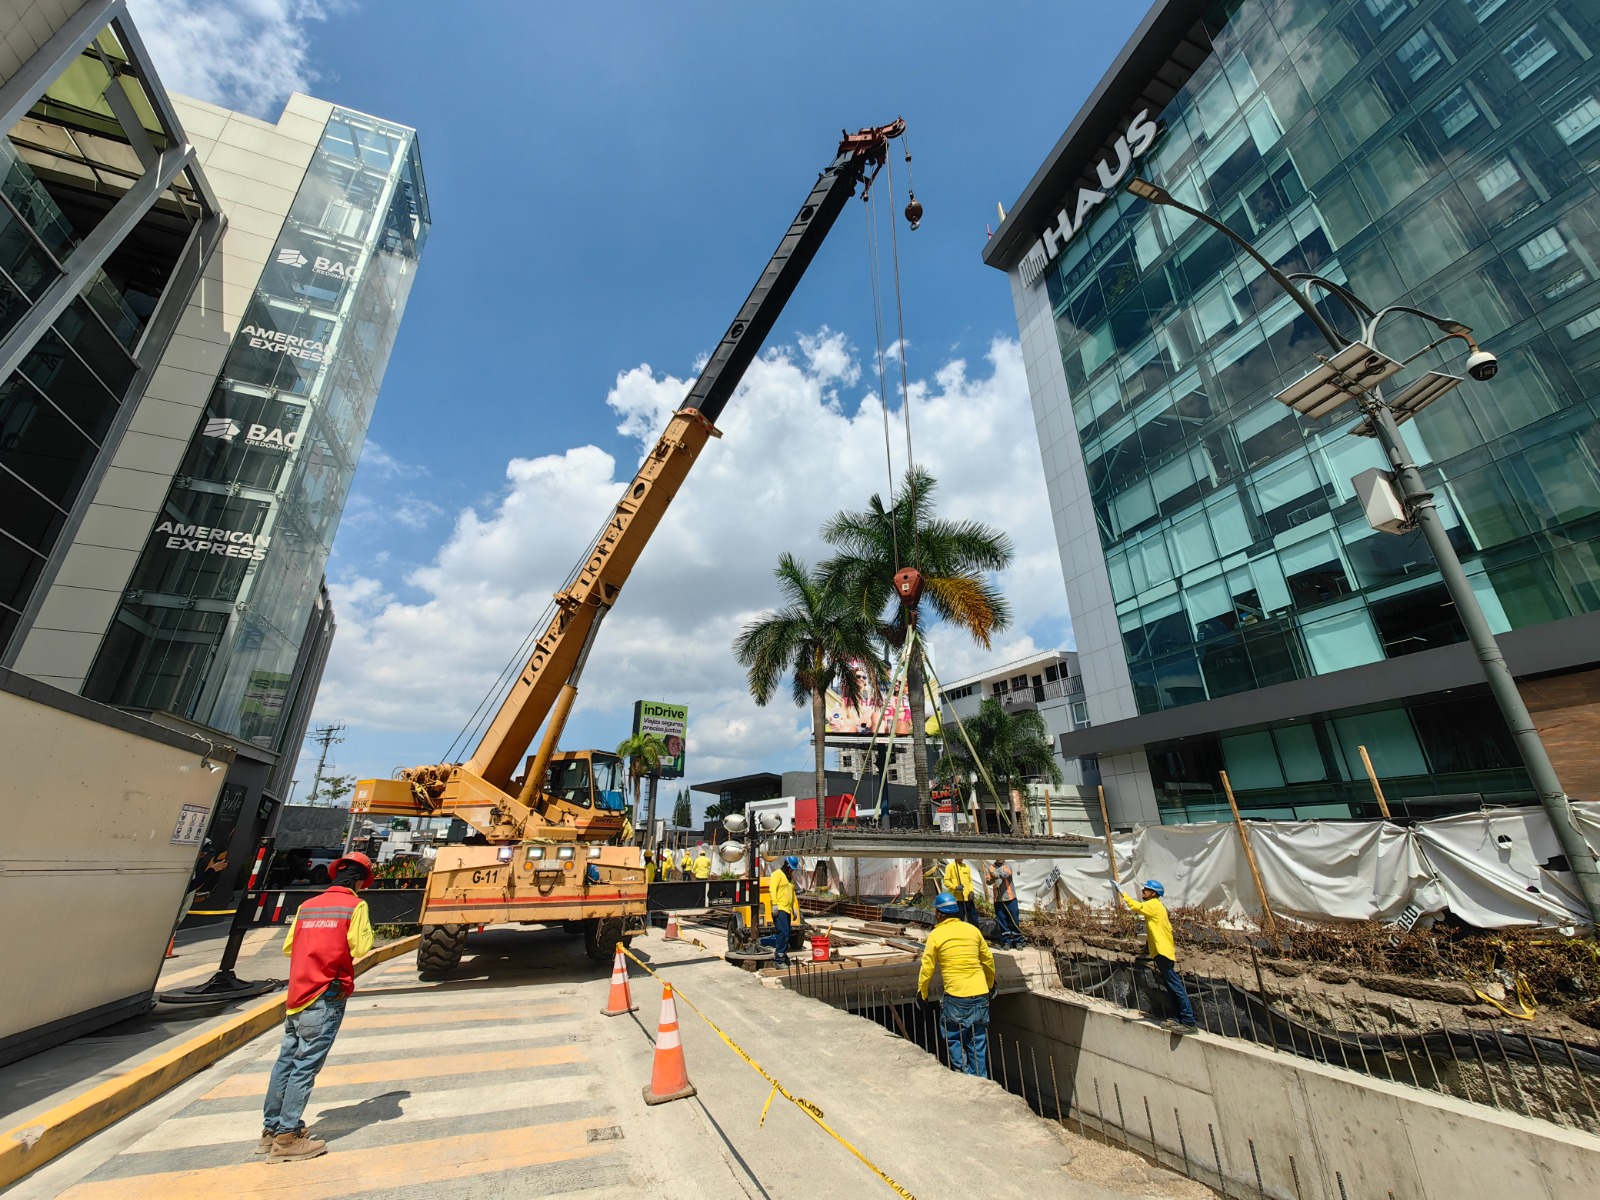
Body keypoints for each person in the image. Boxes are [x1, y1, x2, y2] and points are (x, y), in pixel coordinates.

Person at [258, 852, 375, 1161]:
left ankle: (271, 1131)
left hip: (298, 994)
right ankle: (287, 1138)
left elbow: (289, 947)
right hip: (326, 992)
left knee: (286, 1061)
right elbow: (362, 947)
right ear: (361, 881)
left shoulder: (307, 906)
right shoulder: (355, 906)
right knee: (306, 1065)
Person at [917, 891, 995, 1077]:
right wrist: (990, 984)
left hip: (956, 997)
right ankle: (981, 1080)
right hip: (980, 994)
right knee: (977, 1041)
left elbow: (927, 967)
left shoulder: (936, 935)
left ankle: (964, 1077)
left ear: (938, 913)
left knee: (954, 1038)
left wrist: (922, 993)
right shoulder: (973, 930)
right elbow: (988, 960)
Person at [1116, 878, 1196, 1033]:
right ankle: (1177, 1017)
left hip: (1163, 952)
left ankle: (1188, 1021)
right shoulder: (1157, 906)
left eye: (1146, 889)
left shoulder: (1153, 905)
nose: (1143, 891)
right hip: (1162, 951)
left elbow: (1136, 906)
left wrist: (1122, 893)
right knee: (1171, 986)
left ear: (1153, 893)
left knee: (1175, 986)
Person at [762, 856, 802, 965]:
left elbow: (792, 894)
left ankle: (783, 957)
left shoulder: (789, 878)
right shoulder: (777, 874)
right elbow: (772, 889)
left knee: (787, 934)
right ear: (787, 866)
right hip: (779, 908)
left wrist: (794, 908)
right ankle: (778, 960)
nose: (793, 871)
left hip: (787, 909)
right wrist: (774, 904)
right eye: (792, 869)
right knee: (783, 933)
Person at [985, 859, 1025, 949]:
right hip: (998, 899)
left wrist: (995, 875)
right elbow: (988, 881)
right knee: (1002, 920)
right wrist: (991, 879)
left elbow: (1005, 875)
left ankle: (1017, 941)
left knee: (1013, 920)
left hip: (1010, 897)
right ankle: (1007, 941)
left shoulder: (1007, 866)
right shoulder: (991, 868)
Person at [942, 858, 976, 923]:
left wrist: (971, 891)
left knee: (974, 920)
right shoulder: (950, 867)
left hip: (969, 899)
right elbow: (946, 881)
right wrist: (955, 887)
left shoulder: (966, 867)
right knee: (959, 920)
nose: (961, 858)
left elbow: (970, 881)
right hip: (958, 900)